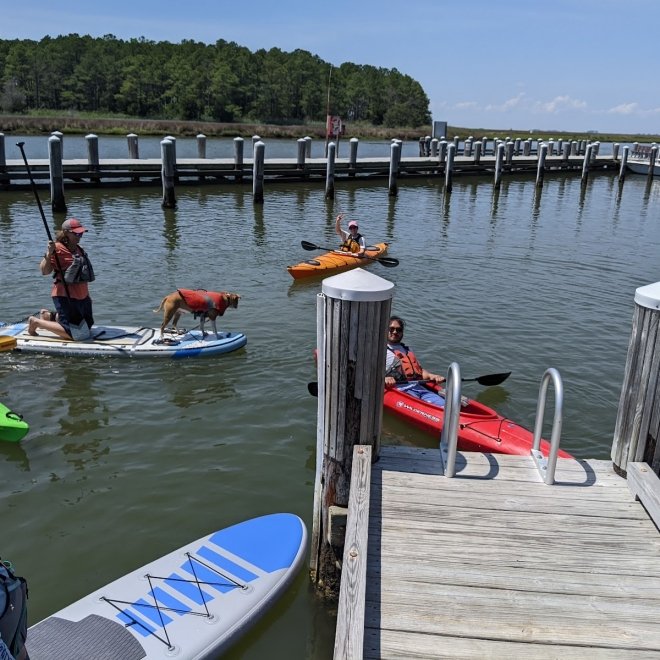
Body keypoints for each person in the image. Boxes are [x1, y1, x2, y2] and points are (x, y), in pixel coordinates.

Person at [27, 218, 95, 341]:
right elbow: (44, 271)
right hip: (65, 296)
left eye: (81, 233)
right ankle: (36, 322)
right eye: (76, 234)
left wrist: (88, 297)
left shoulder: (79, 249)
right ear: (66, 232)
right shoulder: (57, 248)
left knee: (88, 327)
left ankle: (49, 317)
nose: (79, 236)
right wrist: (49, 254)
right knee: (77, 335)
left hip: (83, 297)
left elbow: (82, 277)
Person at [385, 315, 446, 406]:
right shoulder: (381, 350)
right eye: (391, 329)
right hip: (399, 390)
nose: (395, 332)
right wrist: (384, 378)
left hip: (418, 387)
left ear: (402, 333)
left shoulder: (407, 349)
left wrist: (432, 376)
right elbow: (369, 372)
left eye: (399, 330)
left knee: (444, 405)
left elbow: (419, 371)